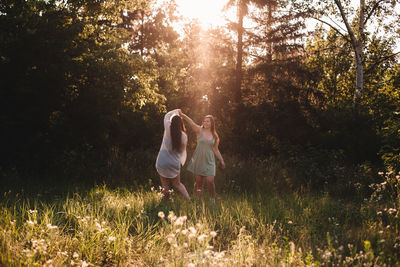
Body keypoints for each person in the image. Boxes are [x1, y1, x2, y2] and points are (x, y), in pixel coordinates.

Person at [179, 110, 225, 202]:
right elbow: (191, 123)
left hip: (210, 161)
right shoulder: (199, 130)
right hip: (198, 160)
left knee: (210, 181)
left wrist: (222, 160)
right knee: (199, 184)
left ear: (212, 123)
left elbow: (215, 149)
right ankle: (200, 201)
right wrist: (183, 115)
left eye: (208, 121)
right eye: (204, 121)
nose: (205, 122)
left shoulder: (215, 136)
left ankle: (212, 200)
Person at [155, 109, 190, 200]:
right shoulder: (184, 136)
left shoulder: (167, 128)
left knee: (165, 185)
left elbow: (166, 116)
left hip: (162, 160)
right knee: (177, 184)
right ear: (181, 124)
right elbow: (182, 151)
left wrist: (176, 111)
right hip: (174, 162)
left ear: (172, 123)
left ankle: (165, 202)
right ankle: (189, 200)